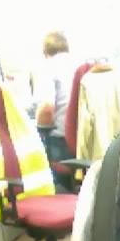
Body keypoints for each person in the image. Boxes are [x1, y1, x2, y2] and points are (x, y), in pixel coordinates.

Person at [34, 31, 75, 183]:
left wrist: (33, 127)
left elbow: (46, 109)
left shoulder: (49, 67)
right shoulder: (77, 64)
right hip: (80, 139)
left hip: (61, 141)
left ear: (45, 52)